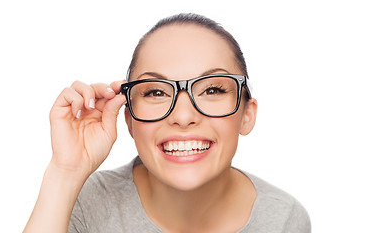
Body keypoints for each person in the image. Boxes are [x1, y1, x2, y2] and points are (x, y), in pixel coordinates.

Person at [24, 13, 311, 233]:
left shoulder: (284, 218)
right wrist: (65, 172)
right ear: (129, 120)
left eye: (212, 90)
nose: (184, 117)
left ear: (247, 114)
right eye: (156, 92)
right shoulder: (83, 203)